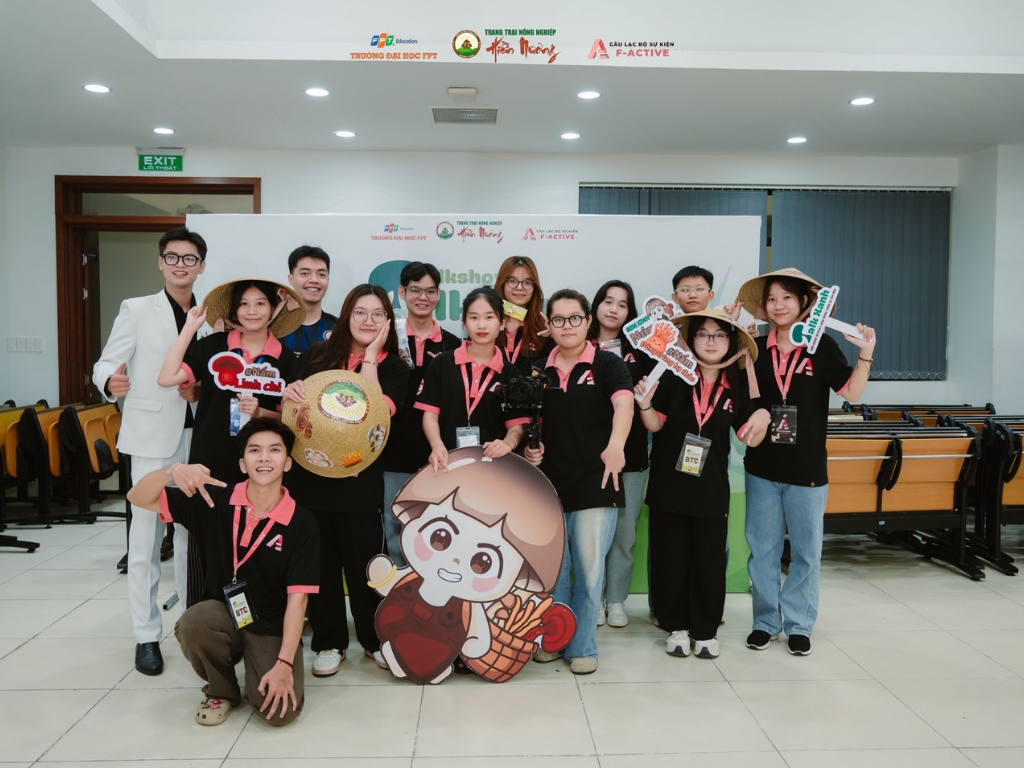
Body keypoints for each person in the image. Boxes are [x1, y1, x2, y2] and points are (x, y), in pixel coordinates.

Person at [126, 418, 319, 726]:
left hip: (272, 624)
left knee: (279, 714)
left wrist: (284, 663)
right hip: (223, 612)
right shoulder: (214, 499)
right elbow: (137, 497)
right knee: (194, 623)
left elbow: (299, 600)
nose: (264, 458)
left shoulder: (301, 522)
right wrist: (172, 471)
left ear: (288, 463)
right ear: (242, 464)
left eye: (274, 450)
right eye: (254, 450)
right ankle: (222, 690)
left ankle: (267, 662)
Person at [726, 268, 876, 656]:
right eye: (772, 299)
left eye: (787, 298)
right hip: (761, 467)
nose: (779, 305)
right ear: (764, 306)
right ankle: (765, 622)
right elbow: (742, 396)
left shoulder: (821, 346)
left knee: (806, 553)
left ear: (804, 303)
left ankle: (798, 624)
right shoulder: (755, 347)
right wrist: (732, 329)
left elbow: (851, 392)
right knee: (762, 550)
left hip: (807, 470)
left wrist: (866, 352)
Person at [92, 226, 207, 676]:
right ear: (160, 262)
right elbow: (107, 360)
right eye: (172, 257)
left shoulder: (209, 315)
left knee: (190, 536)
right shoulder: (137, 309)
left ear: (201, 266)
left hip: (198, 437)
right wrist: (109, 381)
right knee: (145, 540)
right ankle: (145, 635)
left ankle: (191, 625)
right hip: (149, 436)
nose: (181, 264)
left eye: (189, 258)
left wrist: (199, 390)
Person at [282, 284, 410, 677]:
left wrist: (370, 357)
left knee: (365, 568)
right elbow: (293, 411)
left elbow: (374, 412)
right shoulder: (318, 356)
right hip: (311, 479)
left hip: (359, 483)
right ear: (346, 315)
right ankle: (329, 641)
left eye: (377, 314)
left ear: (388, 321)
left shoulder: (394, 367)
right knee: (320, 567)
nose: (368, 321)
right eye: (360, 312)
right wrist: (290, 393)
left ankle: (375, 640)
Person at [635, 309, 770, 659]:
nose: (711, 341)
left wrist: (762, 414)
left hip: (710, 490)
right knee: (670, 560)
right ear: (691, 340)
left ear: (730, 343)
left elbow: (750, 438)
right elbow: (655, 425)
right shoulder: (674, 377)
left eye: (719, 335)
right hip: (668, 486)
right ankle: (676, 627)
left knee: (708, 562)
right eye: (703, 334)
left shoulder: (736, 386)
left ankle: (706, 630)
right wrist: (645, 405)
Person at [525, 289, 634, 675]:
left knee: (589, 571)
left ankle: (584, 646)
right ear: (549, 324)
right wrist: (532, 449)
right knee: (555, 572)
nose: (567, 326)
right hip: (549, 484)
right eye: (558, 319)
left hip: (596, 480)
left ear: (588, 321)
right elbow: (531, 422)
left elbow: (624, 403)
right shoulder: (538, 370)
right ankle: (555, 641)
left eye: (575, 318)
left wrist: (616, 445)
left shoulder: (607, 364)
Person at [381, 262, 459, 567]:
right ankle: (397, 588)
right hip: (392, 449)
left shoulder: (453, 344)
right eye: (415, 290)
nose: (422, 297)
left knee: (438, 529)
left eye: (430, 291)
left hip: (438, 453)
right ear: (402, 292)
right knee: (393, 524)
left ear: (438, 295)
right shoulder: (387, 338)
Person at [586, 280, 654, 628]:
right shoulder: (578, 343)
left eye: (622, 304)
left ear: (630, 312)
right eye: (608, 301)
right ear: (596, 305)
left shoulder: (641, 350)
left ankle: (616, 599)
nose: (613, 309)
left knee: (624, 536)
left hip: (632, 455)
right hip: (589, 456)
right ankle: (593, 598)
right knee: (592, 536)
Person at [416, 286, 529, 473]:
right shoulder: (442, 363)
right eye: (474, 318)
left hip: (494, 468)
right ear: (464, 323)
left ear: (502, 323)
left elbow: (516, 424)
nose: (481, 325)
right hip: (446, 463)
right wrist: (437, 445)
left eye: (489, 317)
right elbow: (430, 414)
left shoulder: (511, 373)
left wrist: (508, 442)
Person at [493, 256, 552, 373]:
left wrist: (555, 338)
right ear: (502, 283)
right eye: (512, 281)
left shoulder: (544, 329)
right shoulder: (487, 323)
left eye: (527, 282)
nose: (519, 287)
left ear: (534, 287)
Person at [278, 245, 337, 357]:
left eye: (321, 275)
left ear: (328, 280)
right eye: (305, 273)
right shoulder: (274, 327)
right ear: (291, 279)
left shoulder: (339, 328)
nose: (314, 280)